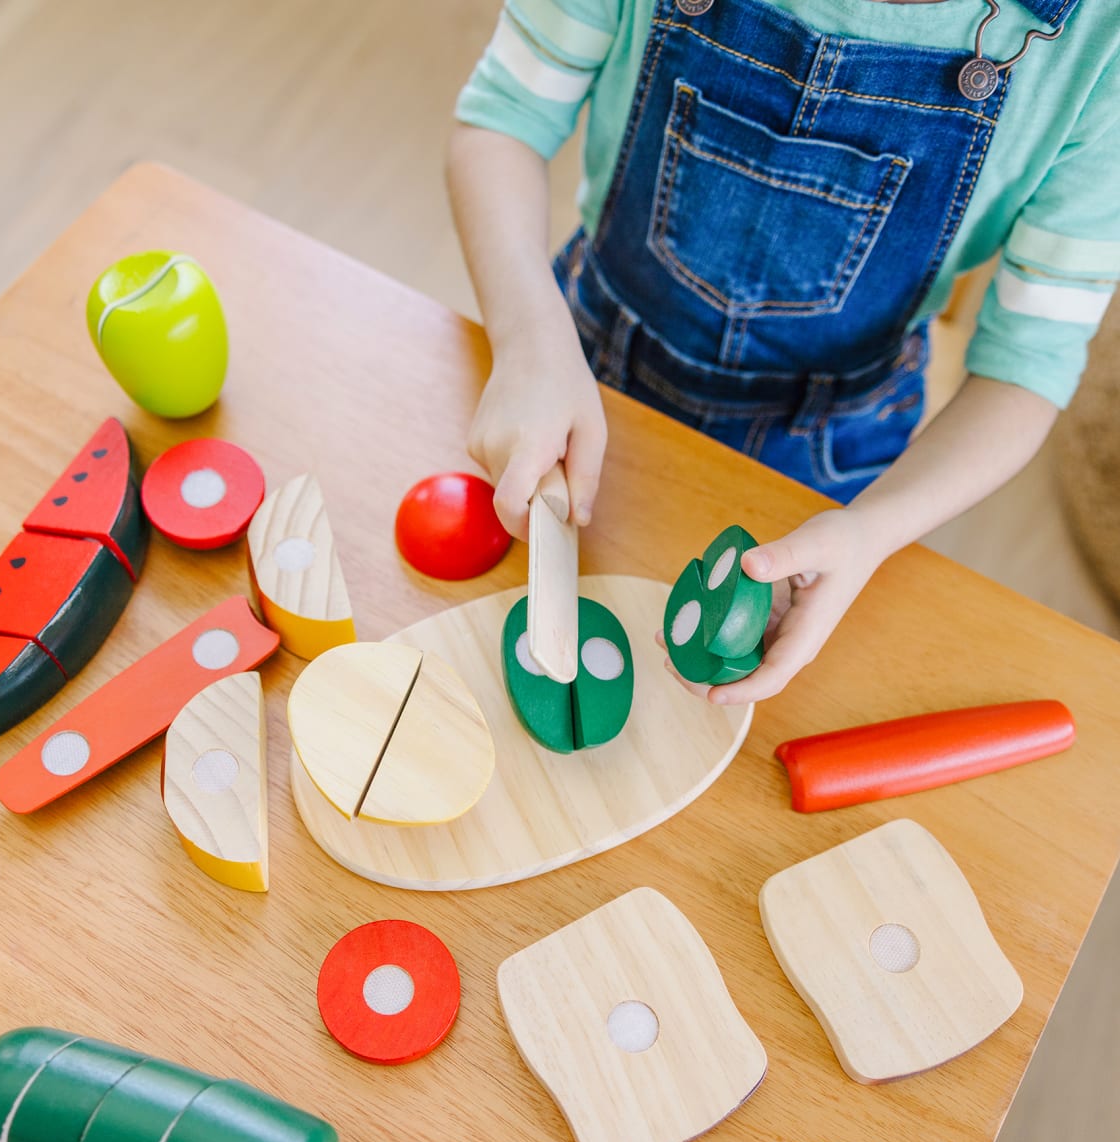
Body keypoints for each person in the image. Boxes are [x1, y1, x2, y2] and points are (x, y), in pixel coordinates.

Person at [446, 0, 1120, 704]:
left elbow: (1027, 368)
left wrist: (870, 533)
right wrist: (528, 343)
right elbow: (502, 120)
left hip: (834, 450)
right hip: (577, 361)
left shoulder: (1101, 48)